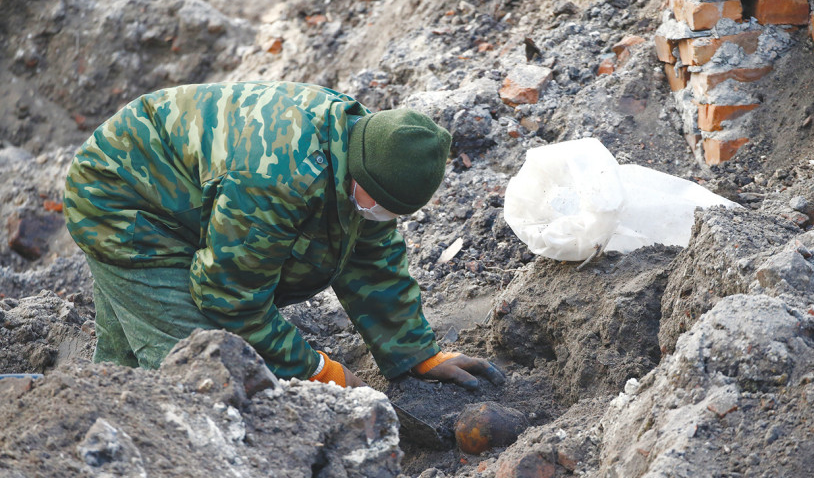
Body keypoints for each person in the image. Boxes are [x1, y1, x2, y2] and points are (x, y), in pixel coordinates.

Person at [63, 81, 505, 390]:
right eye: (381, 205)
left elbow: (370, 255)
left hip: (178, 188)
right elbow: (229, 295)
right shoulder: (278, 178)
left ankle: (94, 420)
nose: (381, 216)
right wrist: (314, 369)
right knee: (196, 373)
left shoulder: (365, 145)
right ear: (362, 173)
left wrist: (415, 353)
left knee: (125, 369)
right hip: (123, 201)